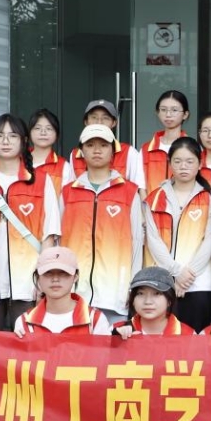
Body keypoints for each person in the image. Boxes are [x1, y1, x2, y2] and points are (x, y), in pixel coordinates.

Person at [0, 113, 61, 330]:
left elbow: (48, 237)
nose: (5, 141)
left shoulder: (40, 182)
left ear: (24, 141)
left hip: (28, 280)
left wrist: (42, 279)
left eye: (13, 136)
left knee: (27, 339)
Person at [59, 123, 145, 321]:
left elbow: (137, 242)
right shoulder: (67, 192)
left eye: (103, 145)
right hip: (74, 292)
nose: (96, 150)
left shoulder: (129, 191)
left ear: (113, 151)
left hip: (115, 291)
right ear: (81, 151)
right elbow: (57, 241)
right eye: (90, 145)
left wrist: (132, 285)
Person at [143, 136, 211, 331]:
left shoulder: (210, 198)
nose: (183, 166)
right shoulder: (155, 198)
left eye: (190, 161)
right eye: (177, 161)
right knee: (164, 341)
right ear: (169, 163)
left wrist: (186, 276)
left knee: (197, 340)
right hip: (163, 283)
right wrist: (176, 272)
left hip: (199, 282)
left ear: (200, 164)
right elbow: (153, 240)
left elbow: (210, 240)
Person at [13, 246, 114, 335]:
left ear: (75, 276)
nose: (55, 279)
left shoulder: (95, 320)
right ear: (38, 277)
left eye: (63, 273)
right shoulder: (24, 322)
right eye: (48, 273)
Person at [64, 99, 146, 191]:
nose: (99, 122)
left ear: (114, 123)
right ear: (86, 122)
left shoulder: (129, 153)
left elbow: (136, 189)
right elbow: (72, 191)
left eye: (105, 118)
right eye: (94, 117)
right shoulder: (75, 154)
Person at [112, 267, 189, 337]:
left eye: (156, 293)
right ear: (132, 300)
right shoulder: (115, 330)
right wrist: (116, 341)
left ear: (169, 300)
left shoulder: (188, 335)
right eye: (140, 293)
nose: (148, 301)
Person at [141, 90, 190, 191]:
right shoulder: (146, 149)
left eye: (174, 110)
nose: (168, 114)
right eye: (163, 110)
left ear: (185, 114)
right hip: (151, 201)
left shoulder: (193, 148)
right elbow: (141, 187)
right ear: (157, 113)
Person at [28, 108, 68, 197]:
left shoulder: (64, 167)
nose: (43, 132)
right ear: (29, 133)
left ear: (57, 134)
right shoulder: (18, 161)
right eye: (37, 128)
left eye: (49, 128)